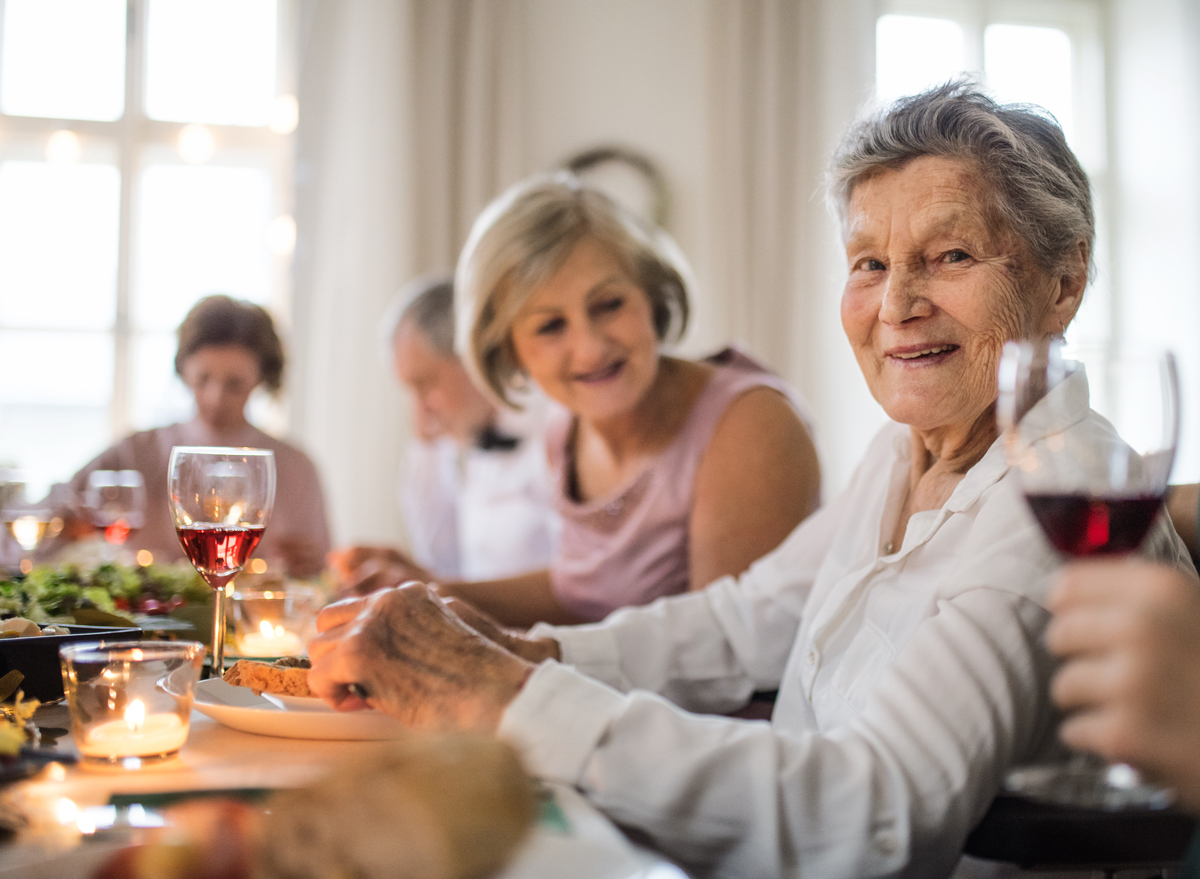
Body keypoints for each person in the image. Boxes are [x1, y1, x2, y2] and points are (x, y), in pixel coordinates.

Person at [307, 82, 1195, 877]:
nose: (895, 307)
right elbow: (741, 620)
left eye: (951, 255)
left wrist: (507, 694)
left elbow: (876, 813)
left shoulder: (1057, 507)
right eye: (869, 263)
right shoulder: (903, 454)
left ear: (1064, 281)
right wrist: (529, 650)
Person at [345, 175, 822, 627]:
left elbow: (718, 660)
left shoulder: (749, 426)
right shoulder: (565, 427)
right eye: (551, 326)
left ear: (652, 296)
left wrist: (516, 659)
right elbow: (583, 593)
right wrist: (427, 590)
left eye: (609, 304)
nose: (591, 347)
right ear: (508, 350)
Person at [67, 295, 331, 579]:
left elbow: (322, 570)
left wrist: (313, 566)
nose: (215, 398)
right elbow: (57, 508)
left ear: (261, 378)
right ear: (183, 371)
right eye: (203, 379)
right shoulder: (136, 452)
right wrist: (68, 524)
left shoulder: (294, 467)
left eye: (235, 384)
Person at [330, 276, 559, 591]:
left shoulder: (555, 430)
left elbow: (580, 588)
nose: (420, 410)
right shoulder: (470, 437)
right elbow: (444, 561)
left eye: (425, 384)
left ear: (471, 355)